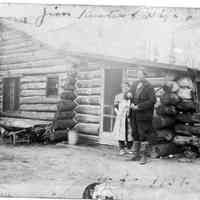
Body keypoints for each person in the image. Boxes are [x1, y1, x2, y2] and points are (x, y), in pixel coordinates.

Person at [129, 67, 156, 164]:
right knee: (135, 133)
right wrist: (128, 95)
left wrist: (139, 106)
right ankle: (136, 155)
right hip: (134, 114)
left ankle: (144, 157)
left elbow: (152, 101)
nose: (139, 76)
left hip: (144, 115)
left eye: (141, 74)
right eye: (138, 74)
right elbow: (128, 93)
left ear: (145, 75)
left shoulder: (149, 86)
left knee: (143, 135)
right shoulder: (135, 84)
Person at [113, 82, 133, 155]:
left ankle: (128, 148)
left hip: (129, 116)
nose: (125, 88)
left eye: (126, 87)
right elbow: (115, 107)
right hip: (121, 117)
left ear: (129, 88)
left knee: (129, 132)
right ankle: (121, 148)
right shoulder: (118, 96)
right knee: (120, 132)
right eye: (123, 87)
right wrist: (118, 113)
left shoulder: (131, 96)